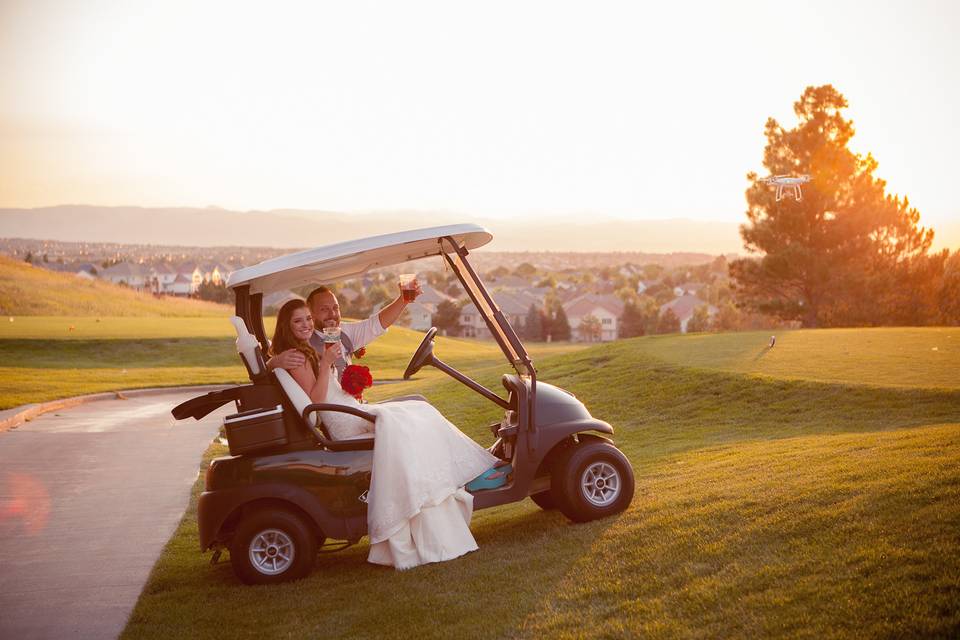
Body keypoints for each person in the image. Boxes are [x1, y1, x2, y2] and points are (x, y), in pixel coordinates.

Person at [269, 298, 501, 570]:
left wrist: (274, 361)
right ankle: (473, 475)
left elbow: (279, 365)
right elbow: (314, 402)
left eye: (309, 318)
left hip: (350, 411)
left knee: (418, 412)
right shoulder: (298, 357)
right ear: (286, 325)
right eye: (298, 321)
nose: (307, 324)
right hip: (344, 423)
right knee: (418, 415)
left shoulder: (301, 350)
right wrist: (324, 364)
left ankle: (464, 475)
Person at [268, 279, 421, 377]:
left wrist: (403, 300)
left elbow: (377, 324)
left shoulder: (344, 333)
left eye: (336, 308)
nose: (332, 314)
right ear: (311, 313)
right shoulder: (302, 340)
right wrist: (273, 363)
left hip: (353, 405)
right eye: (324, 309)